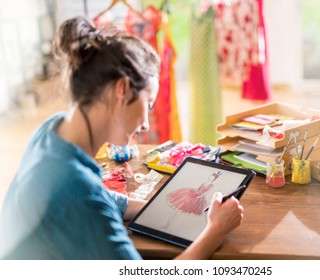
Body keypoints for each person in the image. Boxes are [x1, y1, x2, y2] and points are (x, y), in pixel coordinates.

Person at [0, 16, 244, 260]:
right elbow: (84, 196)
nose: (147, 123)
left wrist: (147, 207)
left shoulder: (50, 129)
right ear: (122, 90)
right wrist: (215, 230)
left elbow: (91, 195)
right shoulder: (80, 192)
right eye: (148, 104)